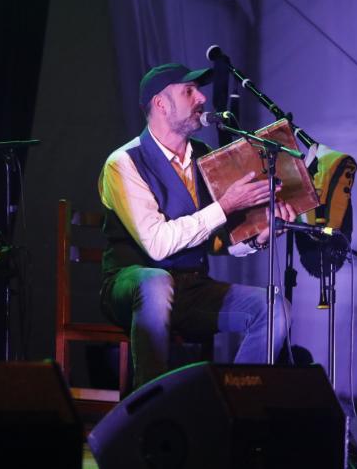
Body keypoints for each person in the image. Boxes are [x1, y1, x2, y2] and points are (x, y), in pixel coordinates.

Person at [98, 63, 295, 388]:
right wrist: (225, 205)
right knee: (155, 281)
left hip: (190, 288)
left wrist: (261, 234)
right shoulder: (123, 162)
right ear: (160, 103)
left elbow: (222, 239)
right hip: (131, 285)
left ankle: (237, 400)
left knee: (275, 307)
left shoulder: (205, 156)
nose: (201, 98)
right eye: (188, 91)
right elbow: (158, 245)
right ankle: (151, 409)